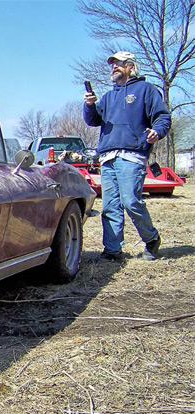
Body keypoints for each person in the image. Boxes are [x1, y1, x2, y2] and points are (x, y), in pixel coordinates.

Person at [83, 51, 171, 261]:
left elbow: (162, 117)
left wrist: (156, 132)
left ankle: (151, 239)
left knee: (131, 201)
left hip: (132, 155)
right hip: (108, 157)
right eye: (112, 64)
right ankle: (112, 250)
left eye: (119, 64)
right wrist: (89, 105)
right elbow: (93, 121)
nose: (114, 67)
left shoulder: (146, 90)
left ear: (130, 66)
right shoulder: (108, 96)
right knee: (110, 206)